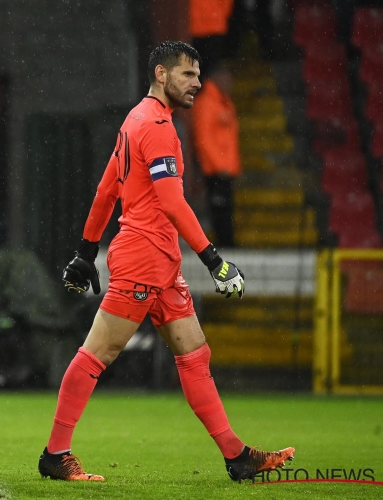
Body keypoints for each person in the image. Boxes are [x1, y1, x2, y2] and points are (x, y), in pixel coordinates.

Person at [37, 41, 293, 483]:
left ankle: (236, 456)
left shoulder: (136, 118)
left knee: (194, 354)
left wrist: (85, 250)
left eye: (198, 75)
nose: (197, 83)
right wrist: (214, 260)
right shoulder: (156, 126)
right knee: (98, 353)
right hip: (143, 258)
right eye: (188, 75)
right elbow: (172, 202)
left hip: (160, 260)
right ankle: (56, 454)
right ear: (161, 73)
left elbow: (105, 190)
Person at [192, 61, 240, 247]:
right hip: (216, 170)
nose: (230, 82)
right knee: (220, 210)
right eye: (227, 78)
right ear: (217, 78)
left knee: (226, 209)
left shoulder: (224, 102)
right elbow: (204, 139)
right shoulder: (208, 103)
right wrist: (219, 166)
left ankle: (228, 243)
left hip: (225, 168)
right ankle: (225, 245)